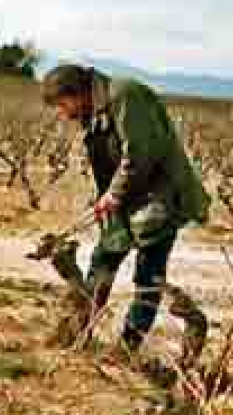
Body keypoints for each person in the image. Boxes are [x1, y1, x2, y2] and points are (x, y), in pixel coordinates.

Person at [41, 63, 210, 353]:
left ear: (77, 93)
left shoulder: (125, 97)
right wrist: (106, 198)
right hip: (124, 201)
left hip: (159, 199)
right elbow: (109, 161)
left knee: (148, 278)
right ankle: (76, 335)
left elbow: (140, 153)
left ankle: (128, 348)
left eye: (61, 104)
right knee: (102, 263)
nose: (61, 112)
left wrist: (113, 195)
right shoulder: (92, 112)